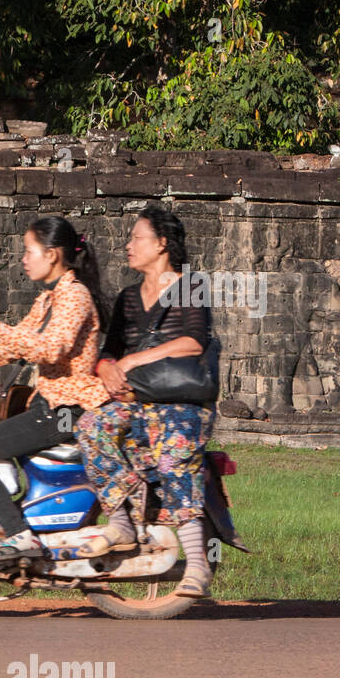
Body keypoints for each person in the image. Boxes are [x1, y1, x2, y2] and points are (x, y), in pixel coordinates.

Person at [0, 216, 111, 563]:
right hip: (47, 406)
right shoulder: (48, 301)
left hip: (66, 409)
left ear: (52, 255)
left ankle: (19, 535)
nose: (24, 258)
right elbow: (14, 347)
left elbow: (49, 348)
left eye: (28, 250)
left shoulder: (75, 297)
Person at [74, 205, 216, 597]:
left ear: (163, 244)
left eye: (137, 237)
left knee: (173, 460)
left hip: (180, 402)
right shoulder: (128, 298)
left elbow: (193, 342)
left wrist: (133, 360)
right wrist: (105, 368)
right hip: (134, 399)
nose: (128, 245)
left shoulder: (192, 286)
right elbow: (110, 349)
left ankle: (198, 568)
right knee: (91, 427)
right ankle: (119, 520)